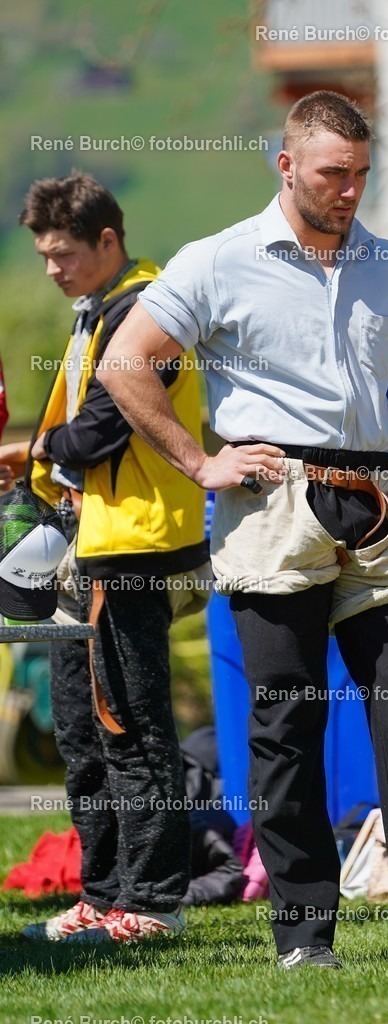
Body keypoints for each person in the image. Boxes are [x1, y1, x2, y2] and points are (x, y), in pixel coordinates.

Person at [96, 90, 388, 967]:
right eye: (335, 173)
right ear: (286, 165)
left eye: (362, 174)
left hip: (375, 503)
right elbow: (124, 361)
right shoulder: (217, 260)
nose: (350, 190)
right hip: (270, 502)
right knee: (283, 726)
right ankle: (303, 937)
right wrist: (197, 461)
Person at [0, 172, 207, 943]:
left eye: (64, 254)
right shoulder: (95, 311)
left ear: (108, 242)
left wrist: (32, 449)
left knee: (134, 728)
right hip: (85, 547)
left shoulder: (146, 311)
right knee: (82, 733)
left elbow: (97, 433)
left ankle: (153, 905)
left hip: (133, 548)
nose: (51, 269)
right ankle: (102, 893)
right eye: (43, 256)